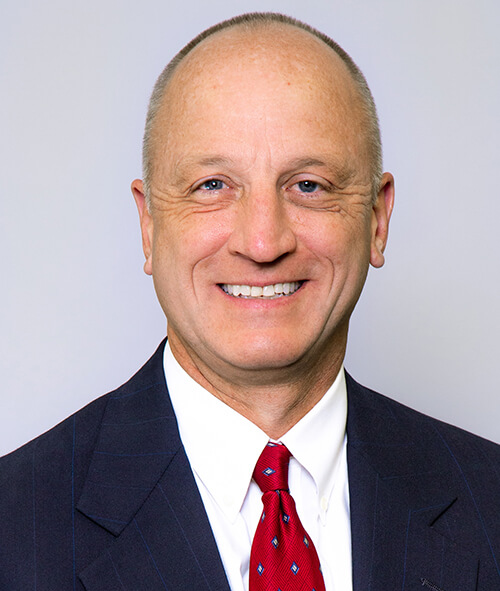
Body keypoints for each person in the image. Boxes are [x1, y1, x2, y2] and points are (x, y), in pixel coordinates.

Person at [1, 12, 499, 591]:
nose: (263, 243)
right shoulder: (16, 529)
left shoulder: (488, 503)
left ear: (377, 219)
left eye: (308, 185)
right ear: (149, 224)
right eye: (212, 186)